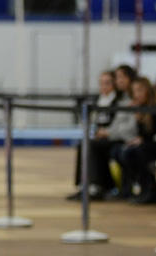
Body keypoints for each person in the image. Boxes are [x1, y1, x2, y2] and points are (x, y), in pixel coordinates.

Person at [66, 69, 117, 199]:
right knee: (83, 144)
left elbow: (119, 126)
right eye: (101, 83)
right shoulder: (99, 101)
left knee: (91, 146)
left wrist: (107, 132)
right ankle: (83, 184)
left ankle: (95, 186)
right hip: (101, 138)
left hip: (114, 138)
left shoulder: (117, 101)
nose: (103, 87)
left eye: (107, 83)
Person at [117, 77, 156, 204]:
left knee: (139, 152)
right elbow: (139, 134)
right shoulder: (141, 109)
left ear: (148, 91)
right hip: (147, 144)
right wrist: (136, 116)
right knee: (127, 152)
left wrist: (142, 140)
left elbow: (149, 135)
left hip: (151, 145)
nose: (136, 94)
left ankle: (150, 190)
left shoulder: (153, 107)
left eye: (140, 90)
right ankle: (143, 188)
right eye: (134, 91)